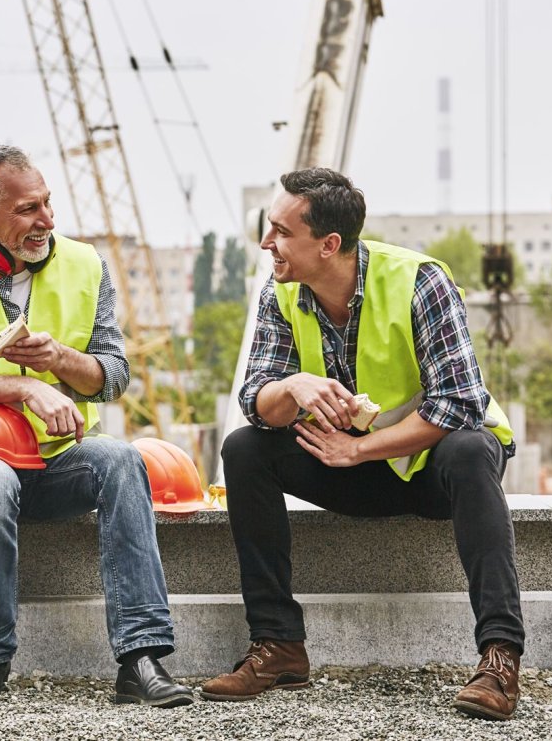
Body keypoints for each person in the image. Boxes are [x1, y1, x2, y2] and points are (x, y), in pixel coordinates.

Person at [203, 168, 523, 721]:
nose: (265, 243)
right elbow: (256, 400)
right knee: (244, 449)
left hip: (435, 470)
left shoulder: (419, 280)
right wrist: (292, 386)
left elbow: (459, 404)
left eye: (280, 231)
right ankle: (278, 645)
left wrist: (359, 449)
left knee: (471, 449)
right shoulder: (279, 295)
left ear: (329, 245)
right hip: (353, 466)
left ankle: (499, 657)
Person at [0, 145, 193, 708]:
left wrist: (58, 360)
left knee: (122, 459)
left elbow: (112, 375)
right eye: (28, 209)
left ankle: (141, 659)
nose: (47, 221)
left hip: (58, 460)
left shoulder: (86, 266)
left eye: (47, 203)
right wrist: (24, 387)